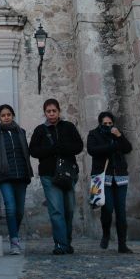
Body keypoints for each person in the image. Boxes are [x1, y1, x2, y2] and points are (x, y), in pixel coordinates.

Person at [29, 98, 83, 255]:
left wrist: (64, 148)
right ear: (45, 113)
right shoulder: (40, 130)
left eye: (54, 111)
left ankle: (66, 241)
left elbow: (78, 146)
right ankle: (60, 244)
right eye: (48, 111)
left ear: (59, 111)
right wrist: (52, 149)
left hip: (68, 174)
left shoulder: (69, 127)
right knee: (56, 210)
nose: (51, 114)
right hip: (49, 175)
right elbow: (33, 150)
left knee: (69, 209)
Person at [0, 104, 33, 256]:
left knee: (19, 211)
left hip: (21, 175)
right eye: (3, 115)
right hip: (5, 176)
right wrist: (0, 165)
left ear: (12, 116)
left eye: (8, 114)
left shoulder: (21, 132)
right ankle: (14, 241)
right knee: (11, 208)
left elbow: (25, 152)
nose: (6, 117)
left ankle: (14, 234)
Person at [87, 111, 134, 254]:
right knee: (107, 208)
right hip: (103, 177)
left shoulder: (117, 133)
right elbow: (92, 150)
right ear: (100, 123)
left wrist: (119, 136)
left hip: (119, 176)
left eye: (110, 123)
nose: (108, 126)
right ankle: (106, 233)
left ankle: (122, 244)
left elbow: (127, 148)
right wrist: (111, 147)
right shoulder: (94, 134)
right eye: (105, 123)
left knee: (121, 211)